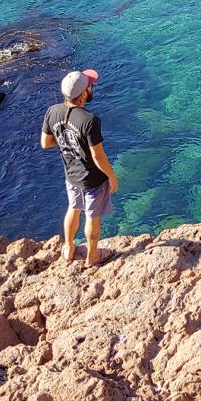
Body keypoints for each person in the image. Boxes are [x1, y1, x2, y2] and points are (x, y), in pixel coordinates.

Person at [40, 69, 119, 266]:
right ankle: (93, 256)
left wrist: (68, 139)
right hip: (93, 178)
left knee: (73, 209)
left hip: (71, 175)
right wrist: (112, 177)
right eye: (89, 86)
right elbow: (98, 156)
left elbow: (46, 143)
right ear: (83, 93)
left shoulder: (53, 111)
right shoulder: (90, 120)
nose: (91, 88)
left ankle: (69, 248)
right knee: (92, 216)